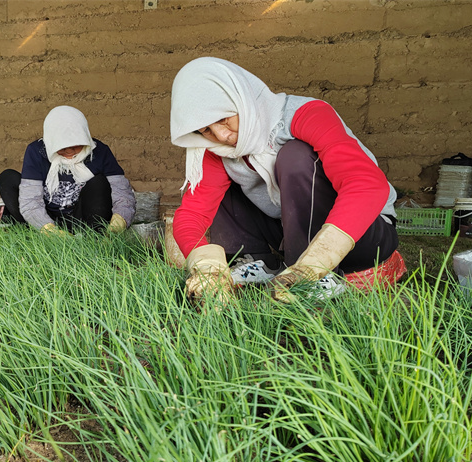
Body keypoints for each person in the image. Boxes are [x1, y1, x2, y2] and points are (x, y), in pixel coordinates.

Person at [168, 57, 406, 306]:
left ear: (242, 99)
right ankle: (257, 260)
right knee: (218, 172)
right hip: (289, 231)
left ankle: (312, 273)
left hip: (363, 235)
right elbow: (193, 214)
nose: (221, 135)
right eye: (206, 130)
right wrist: (206, 266)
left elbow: (366, 184)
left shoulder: (305, 114)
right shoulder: (217, 147)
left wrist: (315, 261)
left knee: (295, 155)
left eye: (223, 119)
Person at [0, 105, 135, 235]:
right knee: (7, 178)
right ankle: (34, 232)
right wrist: (52, 232)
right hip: (47, 215)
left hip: (81, 218)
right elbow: (30, 200)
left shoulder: (100, 152)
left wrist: (116, 227)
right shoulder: (36, 151)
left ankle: (95, 236)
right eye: (61, 146)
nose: (69, 150)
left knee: (99, 182)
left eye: (76, 144)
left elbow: (123, 195)